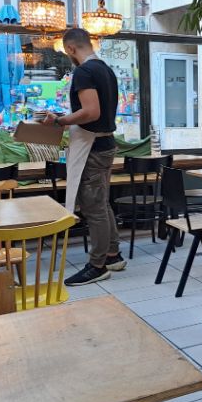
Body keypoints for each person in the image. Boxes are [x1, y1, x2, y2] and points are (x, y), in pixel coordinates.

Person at [45, 28, 125, 285]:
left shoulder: (84, 71)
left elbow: (90, 111)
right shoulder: (106, 70)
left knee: (94, 208)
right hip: (105, 143)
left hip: (93, 146)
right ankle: (112, 254)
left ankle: (97, 265)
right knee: (102, 203)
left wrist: (60, 120)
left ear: (69, 48)